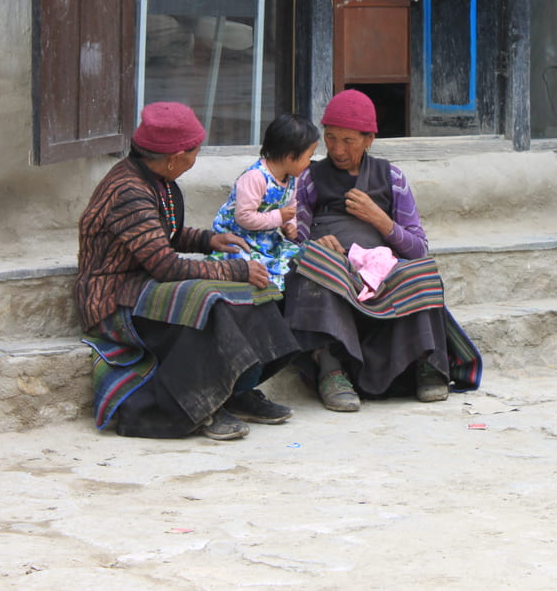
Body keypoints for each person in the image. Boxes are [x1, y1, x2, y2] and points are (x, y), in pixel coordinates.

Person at [75, 102, 300, 441]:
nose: (195, 159)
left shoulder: (156, 179)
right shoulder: (129, 191)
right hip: (112, 296)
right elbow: (166, 265)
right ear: (175, 157)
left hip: (142, 281)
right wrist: (235, 270)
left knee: (253, 294)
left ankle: (235, 390)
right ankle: (197, 405)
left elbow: (165, 234)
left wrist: (209, 239)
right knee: (207, 302)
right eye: (194, 152)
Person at [283, 89, 482, 411]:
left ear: (369, 139)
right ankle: (331, 369)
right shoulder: (309, 177)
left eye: (348, 140)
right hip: (336, 267)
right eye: (331, 138)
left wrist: (380, 220)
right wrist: (312, 244)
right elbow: (293, 237)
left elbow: (418, 248)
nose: (337, 149)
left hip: (383, 268)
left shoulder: (392, 178)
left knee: (423, 272)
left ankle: (426, 364)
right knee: (308, 268)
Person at [211, 113, 320, 291]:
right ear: (291, 157)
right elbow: (244, 217)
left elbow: (290, 208)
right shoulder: (256, 177)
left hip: (266, 240)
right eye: (308, 156)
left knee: (299, 257)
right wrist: (278, 217)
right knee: (248, 266)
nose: (309, 163)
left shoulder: (292, 178)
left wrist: (289, 224)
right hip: (239, 239)